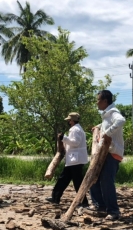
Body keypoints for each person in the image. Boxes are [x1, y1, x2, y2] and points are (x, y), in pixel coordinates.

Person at [89, 90, 125, 221]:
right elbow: (107, 124)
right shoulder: (106, 115)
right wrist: (98, 127)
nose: (97, 103)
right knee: (93, 178)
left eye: (98, 100)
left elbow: (121, 121)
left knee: (106, 182)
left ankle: (113, 211)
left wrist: (107, 133)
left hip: (112, 153)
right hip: (104, 152)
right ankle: (100, 206)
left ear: (105, 101)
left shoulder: (113, 112)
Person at [46, 112, 89, 207]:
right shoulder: (77, 129)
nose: (68, 122)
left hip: (75, 160)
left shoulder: (75, 129)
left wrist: (63, 138)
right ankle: (55, 197)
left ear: (72, 121)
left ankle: (83, 202)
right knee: (64, 179)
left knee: (76, 181)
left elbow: (75, 143)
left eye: (69, 120)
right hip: (74, 159)